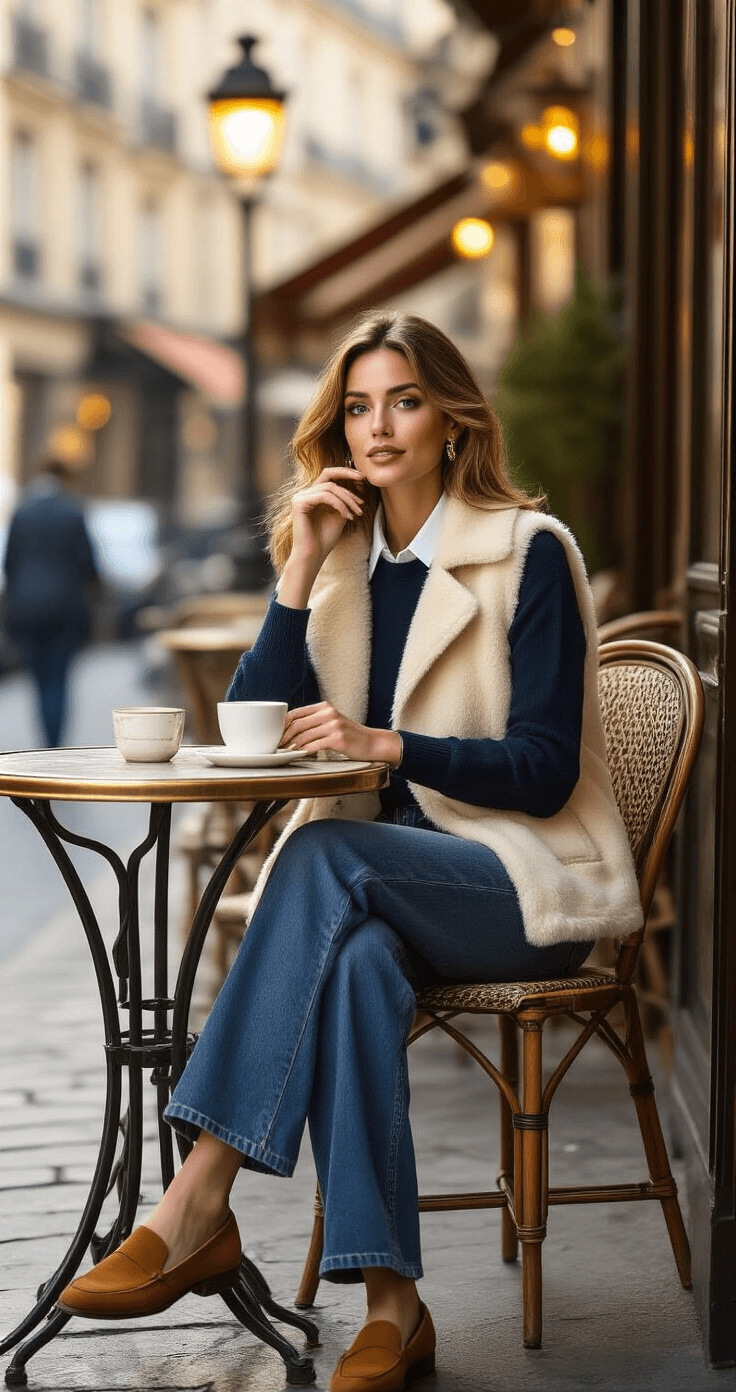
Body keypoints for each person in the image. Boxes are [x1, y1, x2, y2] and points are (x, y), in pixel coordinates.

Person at [57, 312, 642, 1391]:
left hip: (520, 882)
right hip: (386, 895)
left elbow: (545, 768)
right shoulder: (345, 569)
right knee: (358, 962)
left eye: (406, 401)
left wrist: (390, 745)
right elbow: (249, 724)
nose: (380, 426)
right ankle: (393, 1305)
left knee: (325, 864)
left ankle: (196, 1198)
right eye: (360, 405)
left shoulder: (527, 555)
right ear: (336, 427)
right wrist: (296, 571)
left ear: (453, 419)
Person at [2, 455, 98, 746]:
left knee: (38, 678)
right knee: (58, 678)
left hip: (27, 608)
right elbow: (89, 566)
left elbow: (9, 564)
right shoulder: (72, 511)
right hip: (65, 608)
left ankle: (44, 737)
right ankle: (53, 743)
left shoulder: (22, 512)